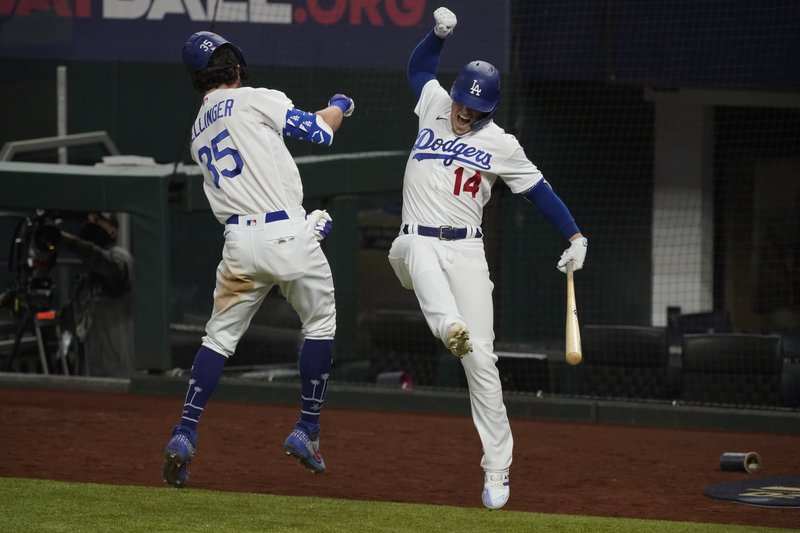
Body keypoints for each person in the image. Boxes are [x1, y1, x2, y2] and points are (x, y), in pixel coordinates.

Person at [387, 7, 588, 510]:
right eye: (462, 104)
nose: (464, 114)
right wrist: (437, 35)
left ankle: (497, 469)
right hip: (415, 242)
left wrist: (575, 235)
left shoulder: (501, 143)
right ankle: (448, 323)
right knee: (415, 251)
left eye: (475, 111)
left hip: (466, 250)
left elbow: (539, 192)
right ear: (455, 95)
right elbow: (417, 70)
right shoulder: (434, 104)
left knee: (481, 362)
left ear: (488, 111)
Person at [161, 31, 354, 489]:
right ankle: (307, 428)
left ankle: (184, 432)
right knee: (320, 324)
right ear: (235, 66)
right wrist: (340, 104)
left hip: (238, 245)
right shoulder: (253, 97)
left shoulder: (196, 131)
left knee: (218, 340)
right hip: (285, 234)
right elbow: (319, 131)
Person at [59, 212, 134, 377]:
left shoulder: (121, 257)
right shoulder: (88, 274)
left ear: (113, 231)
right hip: (90, 370)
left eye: (99, 220)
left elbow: (108, 266)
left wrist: (72, 243)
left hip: (117, 369)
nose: (91, 223)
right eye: (89, 219)